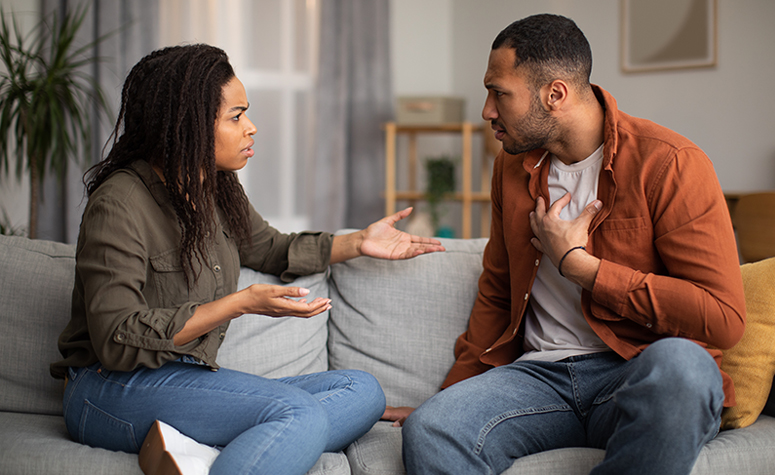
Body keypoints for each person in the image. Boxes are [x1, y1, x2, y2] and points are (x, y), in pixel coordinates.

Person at [49, 44, 444, 475]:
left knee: (362, 390)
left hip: (186, 378)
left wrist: (359, 241)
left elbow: (270, 248)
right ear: (189, 124)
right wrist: (241, 302)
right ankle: (268, 440)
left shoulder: (215, 188)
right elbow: (117, 338)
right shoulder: (120, 203)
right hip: (110, 388)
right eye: (235, 117)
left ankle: (221, 451)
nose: (251, 128)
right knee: (300, 414)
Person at [395, 14, 746, 475]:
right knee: (432, 427)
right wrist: (450, 396)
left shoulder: (670, 164)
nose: (487, 111)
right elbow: (498, 286)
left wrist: (584, 269)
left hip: (636, 370)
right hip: (540, 379)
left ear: (554, 94)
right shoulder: (512, 167)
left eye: (499, 93)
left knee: (683, 367)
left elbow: (723, 320)